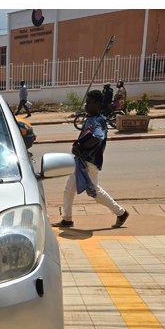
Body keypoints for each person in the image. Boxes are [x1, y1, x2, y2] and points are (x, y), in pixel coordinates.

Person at [52, 90, 129, 229]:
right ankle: (67, 219)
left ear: (98, 104)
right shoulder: (91, 118)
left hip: (89, 163)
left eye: (89, 103)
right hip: (82, 161)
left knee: (95, 192)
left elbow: (96, 138)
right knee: (69, 189)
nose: (86, 106)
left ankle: (121, 213)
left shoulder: (98, 121)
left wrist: (80, 148)